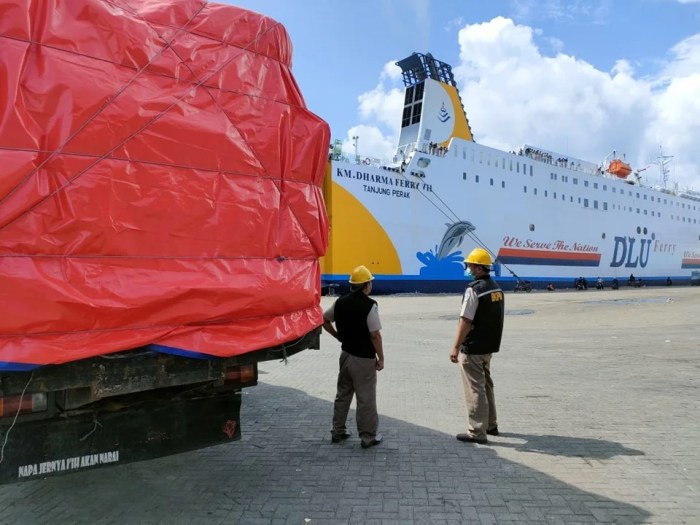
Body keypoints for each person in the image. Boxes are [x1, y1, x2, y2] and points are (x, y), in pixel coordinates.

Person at [322, 265, 384, 449]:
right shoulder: (370, 305)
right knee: (365, 398)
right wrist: (381, 357)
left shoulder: (340, 302)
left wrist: (336, 335)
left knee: (343, 394)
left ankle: (338, 431)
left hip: (346, 355)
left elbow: (324, 320)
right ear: (366, 285)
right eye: (370, 282)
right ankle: (367, 437)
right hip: (364, 359)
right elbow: (375, 335)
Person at [449, 248, 504, 444]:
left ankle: (477, 431)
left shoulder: (474, 290)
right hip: (488, 346)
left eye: (471, 265)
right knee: (487, 384)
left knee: (475, 388)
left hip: (473, 347)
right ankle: (491, 424)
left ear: (480, 268)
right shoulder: (496, 287)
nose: (469, 268)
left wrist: (455, 346)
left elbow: (466, 320)